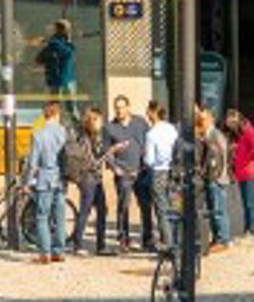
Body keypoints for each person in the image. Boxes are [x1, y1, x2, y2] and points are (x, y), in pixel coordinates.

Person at [103, 95, 152, 251]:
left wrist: (148, 162)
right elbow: (106, 152)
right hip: (122, 172)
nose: (119, 110)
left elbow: (149, 142)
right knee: (124, 205)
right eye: (116, 108)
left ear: (128, 107)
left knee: (145, 205)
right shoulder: (109, 128)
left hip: (142, 171)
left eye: (122, 107)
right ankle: (124, 238)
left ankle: (148, 239)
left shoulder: (140, 123)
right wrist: (114, 167)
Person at [25, 101, 70, 263]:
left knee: (42, 216)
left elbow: (32, 162)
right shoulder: (64, 132)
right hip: (61, 178)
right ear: (57, 114)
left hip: (45, 178)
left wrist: (27, 182)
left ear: (45, 115)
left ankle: (45, 253)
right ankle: (59, 251)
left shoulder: (39, 134)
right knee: (59, 216)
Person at [67, 107, 110, 255]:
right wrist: (110, 152)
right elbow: (91, 161)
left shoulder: (95, 136)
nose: (101, 122)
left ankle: (100, 245)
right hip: (88, 178)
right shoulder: (85, 138)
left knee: (102, 210)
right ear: (92, 120)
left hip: (95, 178)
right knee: (86, 210)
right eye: (99, 119)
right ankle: (78, 244)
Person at [194, 107, 232, 254]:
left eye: (202, 119)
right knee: (213, 209)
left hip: (216, 179)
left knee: (218, 209)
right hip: (211, 178)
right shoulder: (207, 135)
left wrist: (216, 177)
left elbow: (221, 158)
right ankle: (217, 238)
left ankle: (223, 239)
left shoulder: (215, 135)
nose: (200, 121)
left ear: (210, 119)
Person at [143, 100, 180, 252]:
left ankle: (168, 242)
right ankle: (178, 239)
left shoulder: (151, 134)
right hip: (175, 171)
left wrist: (144, 158)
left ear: (153, 113)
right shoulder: (172, 128)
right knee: (176, 205)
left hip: (159, 172)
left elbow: (150, 160)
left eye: (148, 111)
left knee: (161, 207)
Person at [224, 109, 254, 237]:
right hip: (243, 173)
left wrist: (245, 159)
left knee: (250, 203)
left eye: (232, 125)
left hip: (250, 173)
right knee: (246, 202)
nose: (231, 128)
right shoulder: (241, 133)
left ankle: (251, 229)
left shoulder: (249, 132)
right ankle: (247, 228)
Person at [36, 20, 79, 123]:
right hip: (55, 81)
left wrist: (54, 43)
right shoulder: (52, 45)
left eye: (63, 28)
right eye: (60, 28)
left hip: (67, 80)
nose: (62, 30)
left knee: (71, 107)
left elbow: (69, 53)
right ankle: (55, 128)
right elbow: (39, 59)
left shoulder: (66, 44)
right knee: (54, 108)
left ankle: (77, 129)